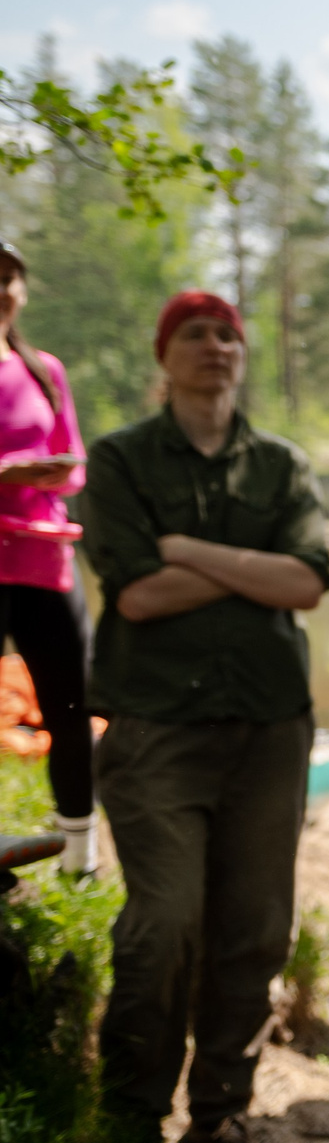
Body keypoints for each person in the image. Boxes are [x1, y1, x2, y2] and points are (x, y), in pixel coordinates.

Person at [81, 290, 329, 1143]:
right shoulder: (117, 460)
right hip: (156, 729)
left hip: (268, 726)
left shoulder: (280, 463)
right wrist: (245, 572)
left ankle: (218, 1125)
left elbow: (306, 580)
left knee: (254, 929)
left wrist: (185, 549)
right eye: (196, 333)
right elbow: (136, 595)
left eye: (228, 332)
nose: (216, 346)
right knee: (165, 921)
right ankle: (129, 1128)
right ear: (165, 354)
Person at [0, 243, 94, 874]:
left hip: (44, 560)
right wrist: (11, 472)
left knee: (71, 707)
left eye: (9, 278)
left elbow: (75, 464)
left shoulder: (43, 369)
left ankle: (79, 858)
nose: (2, 288)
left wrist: (53, 475)